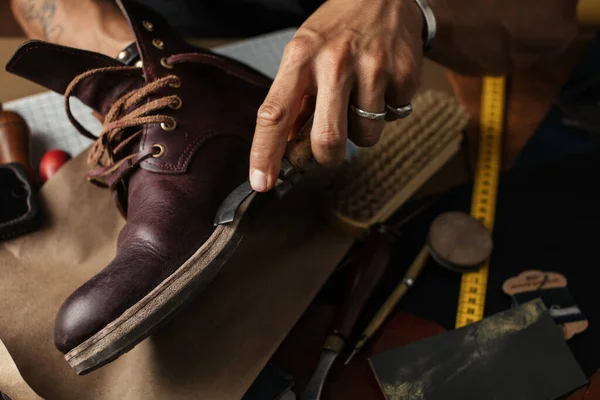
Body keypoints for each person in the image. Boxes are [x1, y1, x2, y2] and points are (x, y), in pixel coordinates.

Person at [11, 0, 580, 192]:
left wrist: (413, 8)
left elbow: (550, 23)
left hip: (384, 71)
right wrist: (145, 73)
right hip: (167, 42)